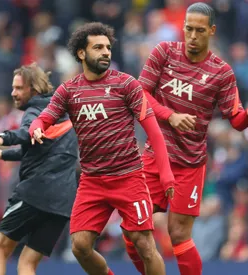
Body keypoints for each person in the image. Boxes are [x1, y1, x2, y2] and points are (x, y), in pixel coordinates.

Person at [125, 3, 248, 275]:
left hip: (189, 164)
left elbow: (236, 119)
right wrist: (170, 115)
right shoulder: (163, 53)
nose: (192, 36)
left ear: (212, 31)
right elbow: (140, 95)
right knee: (132, 229)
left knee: (179, 234)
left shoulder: (222, 72)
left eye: (199, 31)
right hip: (154, 157)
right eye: (188, 29)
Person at [29, 22, 174, 275]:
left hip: (128, 178)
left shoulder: (127, 85)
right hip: (92, 181)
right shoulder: (68, 91)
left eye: (108, 47)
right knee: (80, 246)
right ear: (82, 53)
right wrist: (36, 128)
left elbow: (155, 134)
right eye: (98, 47)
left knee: (144, 244)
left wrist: (166, 176)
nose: (106, 52)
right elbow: (44, 118)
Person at [0, 63, 78, 275]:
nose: (13, 93)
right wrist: (3, 154)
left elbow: (26, 133)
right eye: (13, 88)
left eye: (19, 88)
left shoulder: (34, 111)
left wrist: (1, 137)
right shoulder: (63, 113)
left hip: (34, 192)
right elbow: (39, 148)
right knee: (27, 263)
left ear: (34, 89)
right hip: (62, 203)